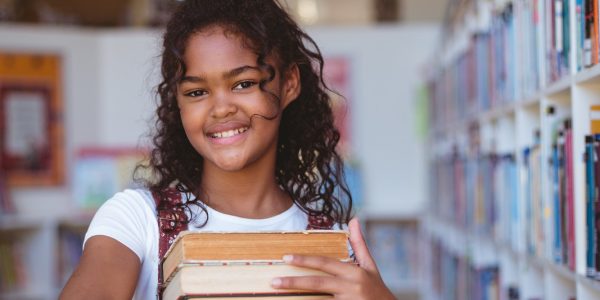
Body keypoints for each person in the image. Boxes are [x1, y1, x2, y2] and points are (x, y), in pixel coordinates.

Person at [60, 0, 395, 299]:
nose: (220, 109)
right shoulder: (138, 220)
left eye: (244, 84)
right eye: (196, 92)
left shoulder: (330, 242)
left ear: (290, 84)